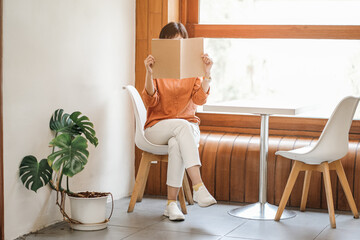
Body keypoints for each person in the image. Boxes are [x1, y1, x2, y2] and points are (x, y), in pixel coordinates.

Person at [142, 22, 216, 221]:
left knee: (177, 142)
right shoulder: (156, 66)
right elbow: (150, 101)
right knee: (181, 126)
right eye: (170, 42)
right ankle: (198, 186)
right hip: (156, 127)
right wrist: (149, 74)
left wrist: (206, 74)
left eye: (179, 42)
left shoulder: (192, 68)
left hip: (186, 129)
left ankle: (170, 204)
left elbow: (199, 100)